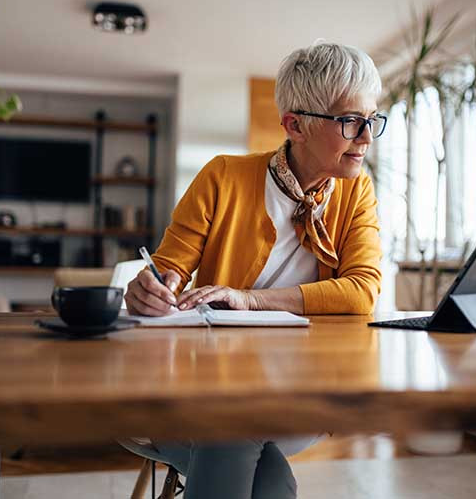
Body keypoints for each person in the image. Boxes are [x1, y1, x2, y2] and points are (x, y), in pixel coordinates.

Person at [124, 42, 385, 499]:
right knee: (262, 466)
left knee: (235, 430)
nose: (366, 137)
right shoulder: (222, 177)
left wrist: (251, 298)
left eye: (372, 120)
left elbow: (362, 291)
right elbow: (167, 270)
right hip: (203, 385)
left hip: (301, 390)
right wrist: (150, 288)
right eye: (350, 121)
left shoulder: (356, 191)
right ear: (294, 125)